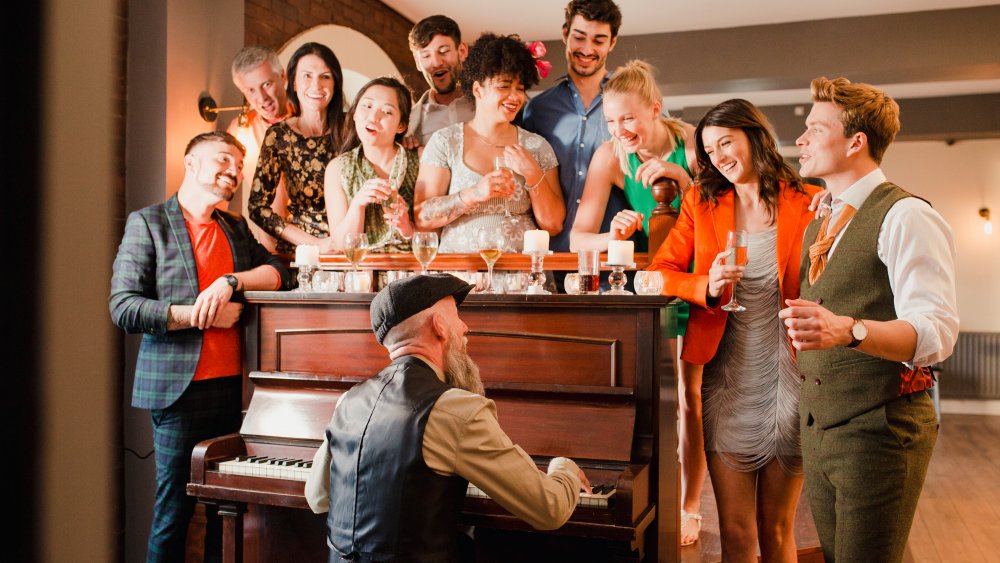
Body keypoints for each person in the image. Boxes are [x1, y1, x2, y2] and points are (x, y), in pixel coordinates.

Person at [779, 77, 959, 563]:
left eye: (815, 129)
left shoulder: (905, 215)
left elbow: (936, 331)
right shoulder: (826, 215)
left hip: (880, 429)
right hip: (821, 428)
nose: (801, 140)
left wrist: (850, 330)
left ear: (856, 141)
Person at [304, 274, 589, 561]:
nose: (465, 327)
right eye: (456, 316)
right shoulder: (455, 409)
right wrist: (564, 467)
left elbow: (317, 498)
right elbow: (549, 510)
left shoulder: (347, 400)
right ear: (439, 326)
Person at [648, 98, 823, 561]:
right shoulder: (699, 203)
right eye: (709, 149)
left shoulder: (808, 200)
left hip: (795, 379)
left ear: (755, 136)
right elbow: (661, 271)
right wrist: (708, 284)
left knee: (778, 528)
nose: (720, 155)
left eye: (727, 141)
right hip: (726, 382)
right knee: (736, 530)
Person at [109, 131, 292, 563]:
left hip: (236, 392)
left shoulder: (234, 226)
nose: (234, 172)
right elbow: (123, 307)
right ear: (190, 163)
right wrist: (198, 314)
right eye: (224, 159)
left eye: (239, 166)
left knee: (224, 511)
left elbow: (279, 271)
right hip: (178, 392)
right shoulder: (148, 222)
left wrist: (233, 282)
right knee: (174, 511)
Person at [568, 58, 706, 545]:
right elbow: (577, 238)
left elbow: (723, 210)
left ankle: (690, 508)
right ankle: (653, 501)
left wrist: (681, 177)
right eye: (610, 120)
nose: (620, 129)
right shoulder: (611, 156)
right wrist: (614, 234)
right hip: (650, 288)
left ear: (654, 109)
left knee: (691, 399)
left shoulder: (690, 140)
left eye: (628, 118)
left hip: (697, 282)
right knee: (653, 402)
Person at [413, 33, 565, 253]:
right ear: (477, 89)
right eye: (504, 86)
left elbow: (553, 225)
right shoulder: (445, 142)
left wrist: (532, 173)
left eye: (520, 89)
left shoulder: (537, 146)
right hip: (460, 277)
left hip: (521, 279)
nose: (515, 97)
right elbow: (422, 217)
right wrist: (475, 193)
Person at [522, 0, 628, 254]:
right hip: (552, 259)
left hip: (617, 260)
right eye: (579, 37)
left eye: (599, 40)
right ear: (565, 34)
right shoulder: (537, 110)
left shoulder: (633, 102)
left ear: (612, 43)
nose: (587, 49)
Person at [248, 42, 346, 253]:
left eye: (325, 76)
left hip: (354, 248)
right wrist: (316, 245)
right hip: (303, 253)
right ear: (292, 82)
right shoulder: (278, 135)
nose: (316, 85)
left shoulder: (354, 128)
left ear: (335, 83)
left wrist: (407, 140)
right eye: (307, 76)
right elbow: (257, 208)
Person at [324, 76, 417, 253]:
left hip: (410, 274)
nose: (374, 117)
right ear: (354, 114)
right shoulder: (337, 169)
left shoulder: (418, 160)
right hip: (359, 274)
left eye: (387, 112)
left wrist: (406, 227)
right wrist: (358, 204)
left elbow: (432, 237)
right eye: (367, 106)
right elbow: (340, 245)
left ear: (401, 125)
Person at [227, 46, 294, 251]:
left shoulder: (312, 120)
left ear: (282, 76)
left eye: (266, 84)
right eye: (251, 91)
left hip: (319, 247)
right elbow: (222, 192)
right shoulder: (240, 132)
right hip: (271, 252)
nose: (262, 98)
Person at [405, 15, 475, 150]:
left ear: (462, 51)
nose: (436, 63)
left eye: (444, 51)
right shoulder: (409, 125)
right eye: (426, 56)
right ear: (418, 62)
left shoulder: (488, 105)